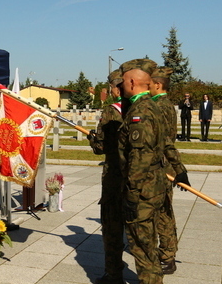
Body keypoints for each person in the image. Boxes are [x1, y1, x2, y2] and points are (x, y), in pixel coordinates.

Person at [117, 59, 166, 284]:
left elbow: (140, 156)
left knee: (141, 244)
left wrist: (132, 193)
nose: (120, 86)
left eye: (123, 82)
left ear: (133, 82)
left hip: (143, 187)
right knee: (149, 242)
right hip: (153, 184)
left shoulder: (140, 111)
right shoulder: (151, 105)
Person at [150, 67, 191, 275]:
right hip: (161, 163)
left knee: (163, 212)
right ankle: (164, 252)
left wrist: (177, 167)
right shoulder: (161, 104)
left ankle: (167, 256)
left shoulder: (160, 106)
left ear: (157, 85)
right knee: (160, 211)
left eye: (149, 84)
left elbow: (163, 140)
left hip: (161, 165)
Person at [87, 69, 125, 284]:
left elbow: (102, 147)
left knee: (112, 227)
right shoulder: (145, 107)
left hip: (115, 177)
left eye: (111, 87)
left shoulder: (111, 111)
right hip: (142, 177)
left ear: (115, 88)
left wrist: (92, 139)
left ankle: (114, 275)